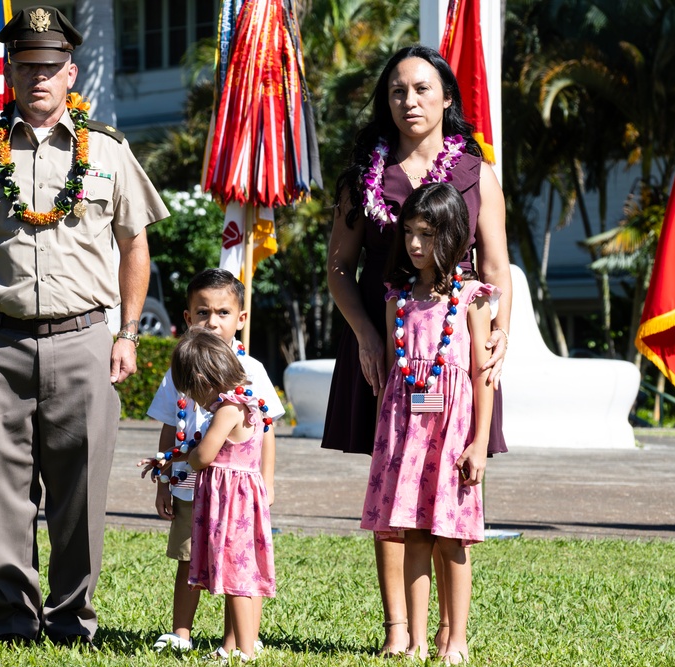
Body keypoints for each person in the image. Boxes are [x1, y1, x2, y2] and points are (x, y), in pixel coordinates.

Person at [0, 5, 169, 647]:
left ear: (70, 72)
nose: (39, 78)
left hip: (85, 339)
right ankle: (12, 622)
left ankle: (71, 622)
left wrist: (126, 335)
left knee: (81, 493)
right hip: (0, 341)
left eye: (51, 67)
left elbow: (136, 245)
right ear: (10, 71)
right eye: (28, 66)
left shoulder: (110, 152)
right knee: (3, 491)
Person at [322, 44, 512, 655]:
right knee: (396, 503)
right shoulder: (363, 178)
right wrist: (368, 336)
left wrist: (498, 331)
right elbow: (338, 271)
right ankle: (399, 631)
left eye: (423, 89)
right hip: (392, 351)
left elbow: (498, 268)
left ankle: (451, 635)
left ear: (447, 98)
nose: (409, 101)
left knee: (448, 500)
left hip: (458, 352)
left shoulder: (476, 174)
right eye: (398, 90)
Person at [360, 182, 497, 664]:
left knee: (452, 538)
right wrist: (387, 445)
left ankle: (454, 638)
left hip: (452, 434)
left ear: (456, 236)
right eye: (411, 232)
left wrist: (479, 444)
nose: (416, 244)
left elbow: (483, 376)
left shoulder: (474, 298)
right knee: (413, 534)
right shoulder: (397, 299)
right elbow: (393, 383)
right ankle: (415, 639)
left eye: (429, 234)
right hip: (405, 436)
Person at [143, 269, 284, 655]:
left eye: (223, 312)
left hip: (235, 488)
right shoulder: (181, 369)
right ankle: (181, 633)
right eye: (203, 312)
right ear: (188, 318)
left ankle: (235, 641)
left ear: (241, 319)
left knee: (235, 562)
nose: (212, 321)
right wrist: (164, 482)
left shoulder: (251, 370)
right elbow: (170, 427)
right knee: (190, 559)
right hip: (192, 486)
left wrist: (267, 481)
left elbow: (266, 429)